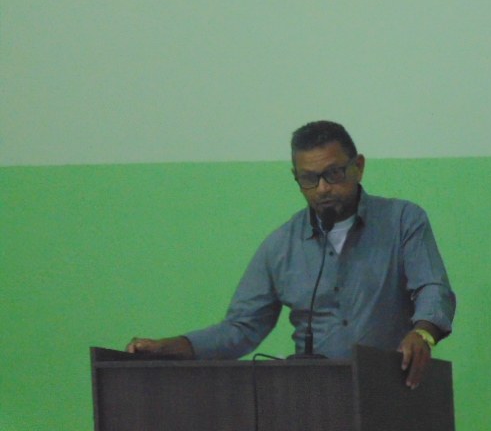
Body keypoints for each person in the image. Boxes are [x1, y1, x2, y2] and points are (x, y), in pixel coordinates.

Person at [127, 120, 455, 389]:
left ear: (358, 167)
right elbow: (241, 328)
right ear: (296, 178)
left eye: (333, 173)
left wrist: (422, 333)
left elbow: (432, 287)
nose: (323, 188)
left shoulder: (402, 221)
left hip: (394, 389)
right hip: (314, 399)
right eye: (309, 179)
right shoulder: (281, 246)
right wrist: (176, 346)